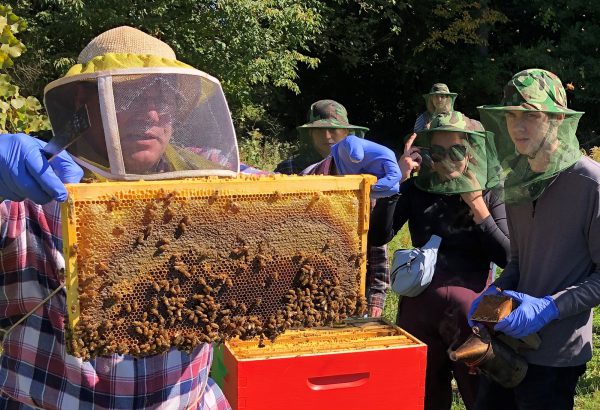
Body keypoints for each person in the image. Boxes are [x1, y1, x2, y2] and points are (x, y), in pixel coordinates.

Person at [0, 27, 400, 409]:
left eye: (164, 98)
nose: (151, 112)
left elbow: (286, 195)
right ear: (83, 106)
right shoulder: (30, 186)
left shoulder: (207, 176)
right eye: (130, 96)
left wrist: (341, 173)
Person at [470, 68, 600, 410]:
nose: (517, 126)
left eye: (530, 115)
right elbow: (519, 261)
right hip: (507, 343)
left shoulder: (591, 184)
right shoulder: (517, 182)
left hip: (557, 355)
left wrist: (549, 306)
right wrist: (493, 294)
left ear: (557, 119)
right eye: (511, 115)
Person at [369, 111, 510, 410]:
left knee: (481, 393)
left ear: (472, 152)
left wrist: (477, 206)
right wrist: (397, 180)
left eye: (457, 150)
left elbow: (507, 256)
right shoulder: (417, 189)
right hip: (419, 309)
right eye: (439, 151)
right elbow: (379, 235)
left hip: (475, 313)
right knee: (423, 395)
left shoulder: (490, 192)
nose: (447, 159)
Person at [276, 99, 391, 317]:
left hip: (348, 285)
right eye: (320, 130)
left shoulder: (362, 172)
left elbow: (374, 239)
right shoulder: (289, 168)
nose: (327, 136)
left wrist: (377, 294)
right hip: (294, 283)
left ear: (347, 133)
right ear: (310, 134)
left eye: (333, 130)